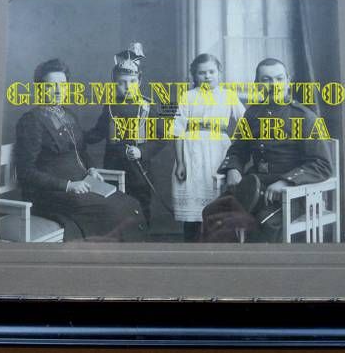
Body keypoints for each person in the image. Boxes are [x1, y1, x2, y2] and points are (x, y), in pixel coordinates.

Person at [14, 58, 147, 242]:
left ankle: (129, 257)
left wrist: (91, 169)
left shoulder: (68, 115)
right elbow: (25, 172)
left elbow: (81, 151)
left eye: (62, 85)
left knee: (131, 204)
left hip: (81, 184)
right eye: (51, 85)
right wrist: (68, 185)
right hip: (50, 194)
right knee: (113, 211)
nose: (58, 90)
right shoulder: (31, 121)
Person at [206, 58, 332, 243]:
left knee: (262, 222)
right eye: (266, 80)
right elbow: (238, 149)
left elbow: (322, 164)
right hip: (254, 187)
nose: (274, 85)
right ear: (258, 84)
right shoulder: (252, 114)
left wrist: (286, 182)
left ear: (288, 80)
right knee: (212, 214)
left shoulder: (305, 117)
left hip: (293, 193)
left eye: (279, 78)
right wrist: (233, 168)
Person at [85, 43, 166, 226]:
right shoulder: (110, 106)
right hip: (113, 168)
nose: (127, 86)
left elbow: (161, 137)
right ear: (114, 83)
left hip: (139, 170)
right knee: (115, 208)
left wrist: (142, 151)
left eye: (132, 82)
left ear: (139, 81)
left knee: (140, 208)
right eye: (121, 83)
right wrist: (79, 137)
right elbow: (98, 132)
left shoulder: (147, 107)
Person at [171, 54, 245, 242]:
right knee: (193, 205)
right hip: (192, 153)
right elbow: (178, 131)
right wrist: (180, 163)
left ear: (219, 73)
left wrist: (236, 140)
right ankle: (191, 243)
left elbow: (245, 120)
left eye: (211, 71)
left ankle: (217, 244)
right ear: (194, 75)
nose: (207, 76)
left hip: (218, 151)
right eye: (202, 73)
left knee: (217, 199)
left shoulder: (228, 95)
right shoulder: (188, 96)